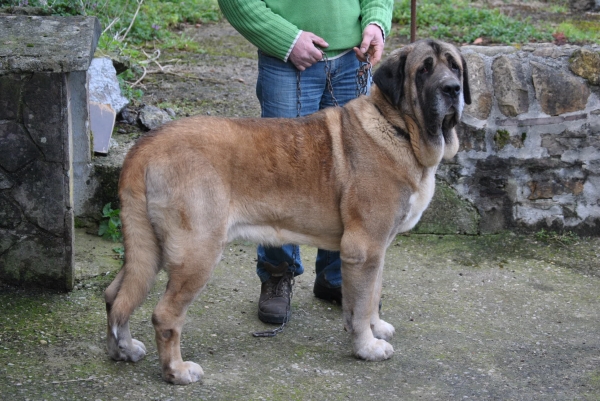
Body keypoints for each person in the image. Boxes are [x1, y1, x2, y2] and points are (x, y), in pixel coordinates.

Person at [218, 0, 394, 325]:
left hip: (354, 61)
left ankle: (336, 275)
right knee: (280, 178)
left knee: (351, 178)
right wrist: (284, 39)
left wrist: (376, 22)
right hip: (286, 61)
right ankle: (277, 273)